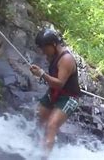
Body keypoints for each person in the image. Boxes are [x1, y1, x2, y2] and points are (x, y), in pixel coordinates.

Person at [30, 29, 80, 158]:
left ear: (53, 44)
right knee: (39, 117)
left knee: (51, 125)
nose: (43, 51)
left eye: (44, 47)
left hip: (69, 97)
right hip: (54, 92)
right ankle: (34, 146)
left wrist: (41, 74)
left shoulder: (66, 59)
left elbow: (59, 83)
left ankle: (44, 156)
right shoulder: (51, 54)